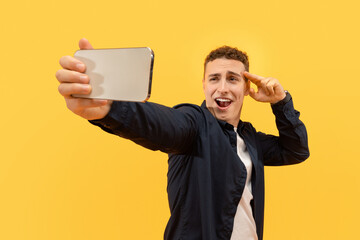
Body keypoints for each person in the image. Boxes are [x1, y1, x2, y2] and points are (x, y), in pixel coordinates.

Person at [56, 38, 309, 240]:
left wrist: (281, 102)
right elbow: (162, 123)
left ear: (245, 88)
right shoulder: (194, 124)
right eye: (214, 78)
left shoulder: (250, 139)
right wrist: (111, 108)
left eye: (232, 79)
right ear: (204, 85)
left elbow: (296, 150)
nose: (222, 87)